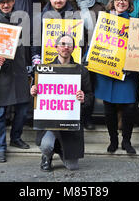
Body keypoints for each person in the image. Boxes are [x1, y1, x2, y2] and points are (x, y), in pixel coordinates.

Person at [30, 34, 94, 171]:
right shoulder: (43, 70)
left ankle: (60, 149)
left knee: (72, 166)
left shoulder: (81, 71)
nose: (66, 47)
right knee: (46, 145)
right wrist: (33, 92)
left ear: (73, 48)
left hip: (70, 122)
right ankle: (47, 155)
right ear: (56, 47)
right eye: (63, 44)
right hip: (50, 124)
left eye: (69, 45)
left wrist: (84, 98)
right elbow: (35, 99)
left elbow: (90, 96)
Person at [0, 0, 31, 163]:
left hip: (19, 71)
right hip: (1, 74)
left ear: (13, 2)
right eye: (2, 2)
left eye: (8, 1)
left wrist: (30, 65)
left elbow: (28, 44)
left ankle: (16, 138)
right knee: (0, 113)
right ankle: (0, 147)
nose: (5, 4)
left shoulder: (21, 21)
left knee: (23, 109)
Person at [93, 0, 139, 155]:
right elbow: (94, 43)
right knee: (109, 109)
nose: (121, 2)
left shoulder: (135, 23)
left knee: (129, 108)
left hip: (127, 73)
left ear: (129, 4)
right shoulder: (104, 21)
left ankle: (126, 141)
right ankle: (113, 140)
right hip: (106, 70)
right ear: (112, 3)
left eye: (124, 0)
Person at [72, 0, 105, 130]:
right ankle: (74, 117)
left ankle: (87, 118)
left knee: (88, 87)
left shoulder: (100, 8)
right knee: (73, 86)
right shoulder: (71, 8)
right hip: (73, 53)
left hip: (93, 54)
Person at [31, 0, 75, 65]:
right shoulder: (39, 18)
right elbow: (35, 42)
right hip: (46, 64)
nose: (58, 0)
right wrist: (36, 59)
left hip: (70, 65)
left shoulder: (75, 18)